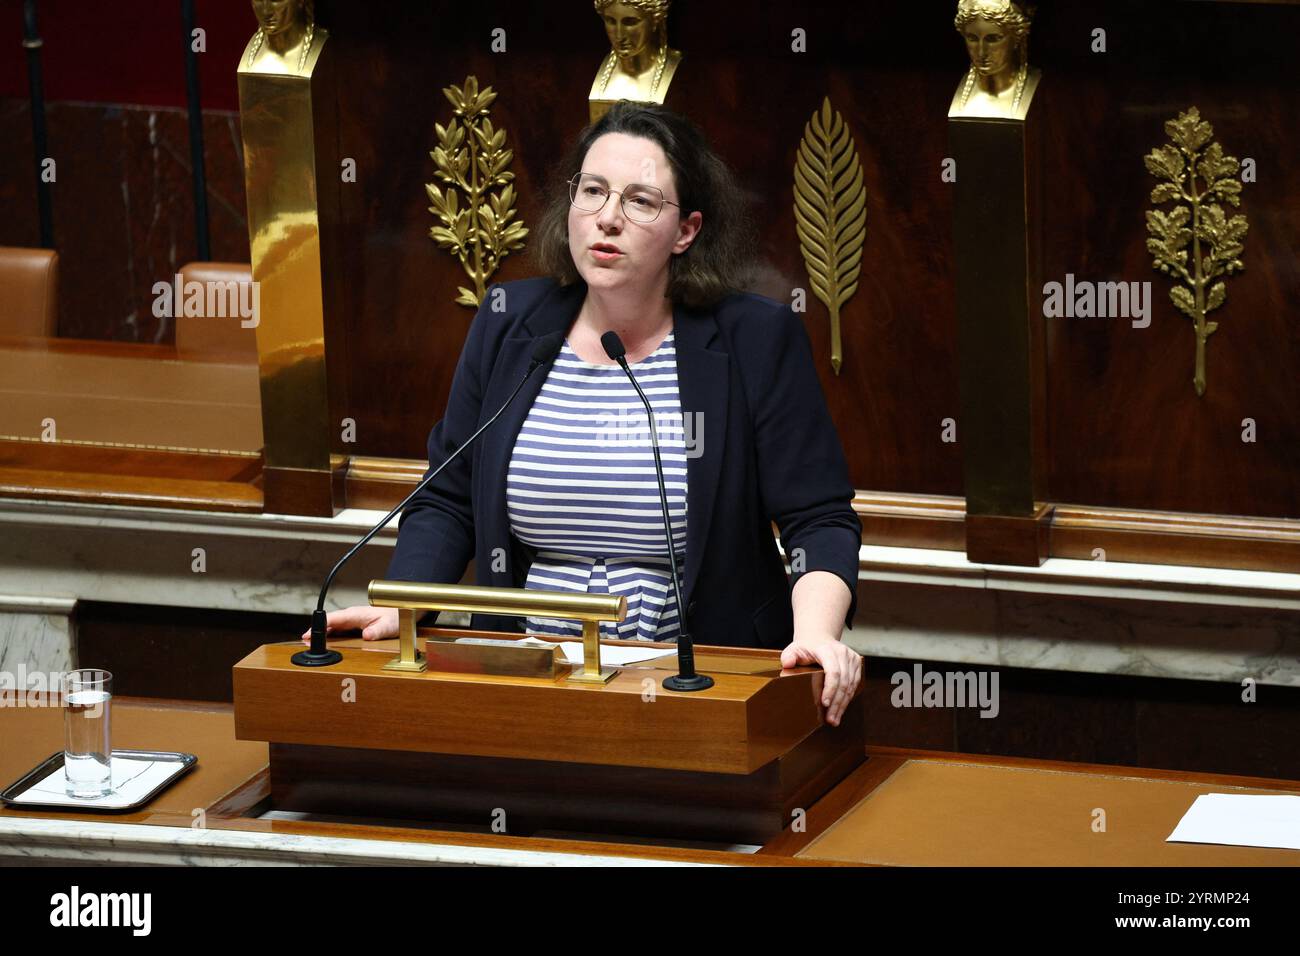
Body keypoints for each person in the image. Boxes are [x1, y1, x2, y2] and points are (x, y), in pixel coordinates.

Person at [304, 101, 864, 725]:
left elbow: (817, 519)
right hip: (522, 675)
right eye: (592, 192)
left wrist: (816, 632)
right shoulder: (509, 324)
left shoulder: (752, 340)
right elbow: (449, 497)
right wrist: (403, 608)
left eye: (641, 201)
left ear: (687, 230)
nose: (608, 219)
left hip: (699, 679)